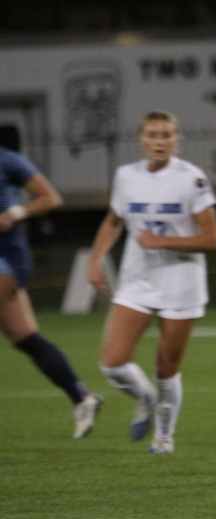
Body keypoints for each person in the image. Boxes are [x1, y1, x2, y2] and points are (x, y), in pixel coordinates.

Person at [86, 110, 216, 453]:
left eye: (166, 135)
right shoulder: (126, 176)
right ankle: (146, 399)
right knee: (112, 362)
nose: (160, 142)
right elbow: (115, 221)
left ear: (176, 140)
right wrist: (95, 259)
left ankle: (164, 436)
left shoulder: (192, 179)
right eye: (153, 135)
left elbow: (212, 239)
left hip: (181, 283)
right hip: (137, 280)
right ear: (141, 139)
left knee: (166, 366)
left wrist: (163, 241)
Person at [0, 125, 102, 439]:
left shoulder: (7, 161)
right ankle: (81, 397)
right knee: (26, 338)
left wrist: (13, 213)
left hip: (6, 259)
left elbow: (50, 197)